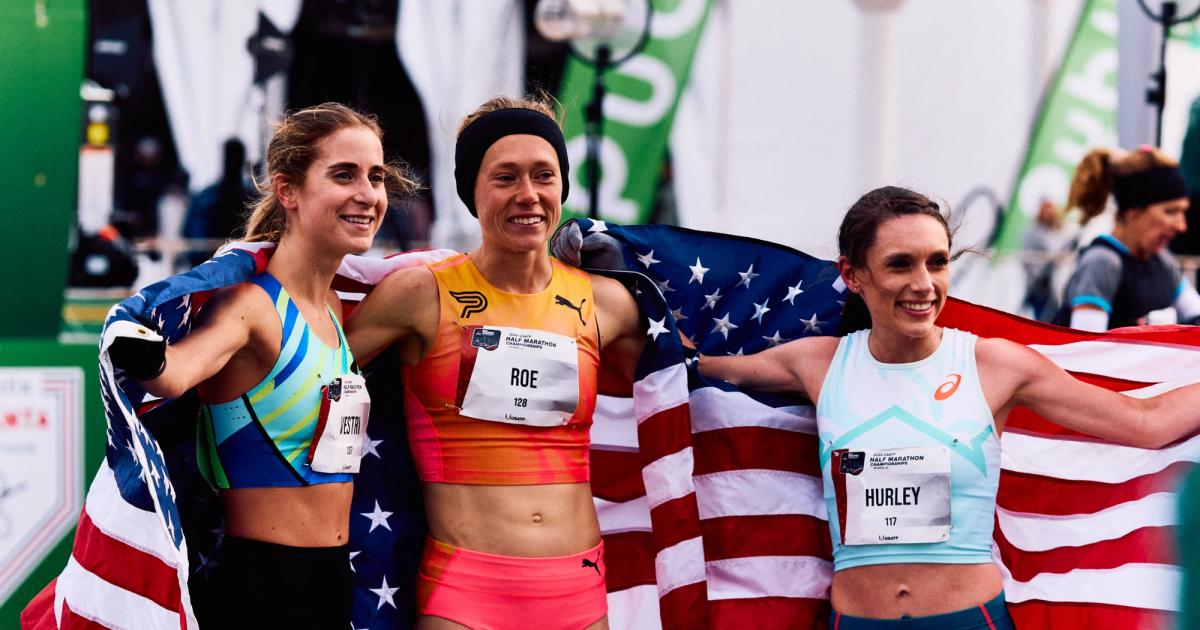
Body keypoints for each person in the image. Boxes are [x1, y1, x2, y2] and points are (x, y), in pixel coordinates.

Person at [695, 186, 1200, 629]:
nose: (924, 284)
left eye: (937, 262)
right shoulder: (817, 364)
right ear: (851, 274)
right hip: (856, 622)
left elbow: (1145, 423)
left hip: (969, 620)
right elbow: (689, 370)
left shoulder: (995, 364)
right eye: (900, 264)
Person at [107, 103, 414, 627]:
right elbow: (177, 372)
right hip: (261, 588)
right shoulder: (252, 308)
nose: (368, 193)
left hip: (335, 581)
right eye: (344, 175)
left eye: (376, 176)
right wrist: (140, 344)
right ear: (288, 191)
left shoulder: (339, 310)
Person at [345, 95, 643, 630]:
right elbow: (313, 371)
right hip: (465, 594)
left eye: (543, 175)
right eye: (505, 178)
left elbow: (692, 382)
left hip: (577, 591)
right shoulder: (420, 294)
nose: (527, 195)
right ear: (472, 193)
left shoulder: (607, 302)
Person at [1056, 146, 1194, 330]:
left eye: (1183, 212)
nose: (1181, 226)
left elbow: (1195, 313)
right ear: (1133, 213)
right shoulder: (1103, 262)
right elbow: (1087, 351)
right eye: (1170, 212)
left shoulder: (1162, 260)